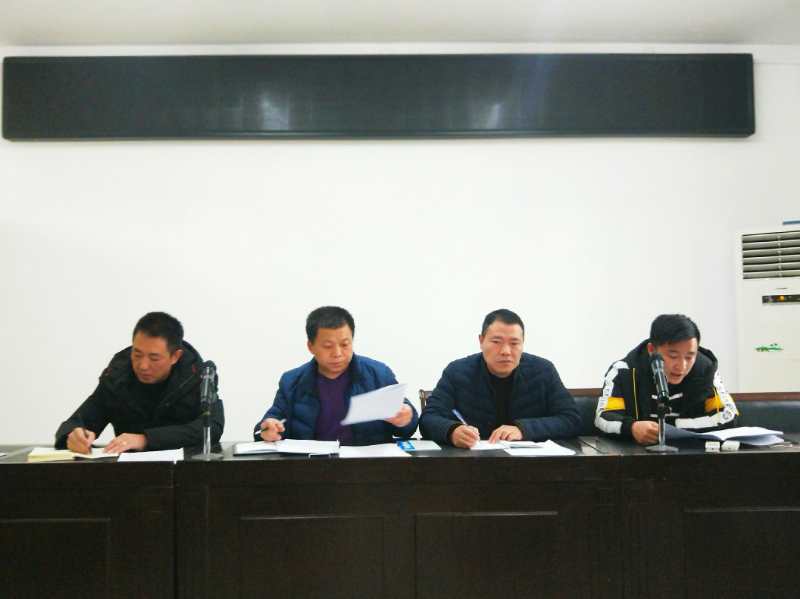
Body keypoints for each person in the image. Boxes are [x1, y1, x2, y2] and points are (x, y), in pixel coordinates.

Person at [55, 312, 224, 454]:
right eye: (137, 354)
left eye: (154, 358)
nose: (143, 365)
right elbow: (78, 421)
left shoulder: (196, 376)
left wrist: (145, 440)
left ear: (175, 356)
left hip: (184, 471)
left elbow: (211, 427)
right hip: (131, 474)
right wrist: (73, 436)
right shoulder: (118, 376)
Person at [254, 306, 418, 445]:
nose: (337, 353)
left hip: (367, 466)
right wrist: (267, 429)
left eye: (345, 344)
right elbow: (268, 424)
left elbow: (408, 427)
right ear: (311, 346)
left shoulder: (378, 374)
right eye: (328, 346)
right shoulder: (292, 382)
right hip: (310, 466)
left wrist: (405, 419)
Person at [419, 309, 581, 447]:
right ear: (481, 341)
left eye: (514, 343)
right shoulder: (457, 372)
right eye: (496, 342)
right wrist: (452, 431)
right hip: (473, 464)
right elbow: (428, 418)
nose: (505, 351)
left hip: (531, 465)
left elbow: (572, 419)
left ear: (523, 343)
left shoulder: (543, 371)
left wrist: (523, 430)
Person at [594, 313, 738, 445]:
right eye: (673, 356)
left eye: (689, 357)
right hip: (637, 457)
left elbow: (727, 416)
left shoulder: (705, 370)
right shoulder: (624, 371)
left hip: (693, 456)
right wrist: (632, 427)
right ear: (651, 350)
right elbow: (602, 417)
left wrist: (670, 428)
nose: (682, 366)